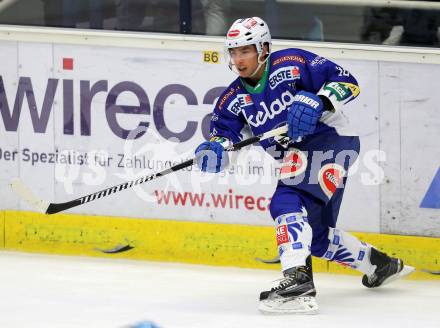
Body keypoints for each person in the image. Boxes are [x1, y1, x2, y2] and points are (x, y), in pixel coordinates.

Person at [194, 17, 415, 314]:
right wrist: (216, 151)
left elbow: (347, 82)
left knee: (285, 201)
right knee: (317, 237)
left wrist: (320, 101)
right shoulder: (232, 99)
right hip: (297, 158)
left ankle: (298, 281)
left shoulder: (292, 63)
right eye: (233, 52)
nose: (238, 59)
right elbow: (227, 139)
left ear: (264, 48)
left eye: (245, 50)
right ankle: (381, 264)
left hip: (332, 141)